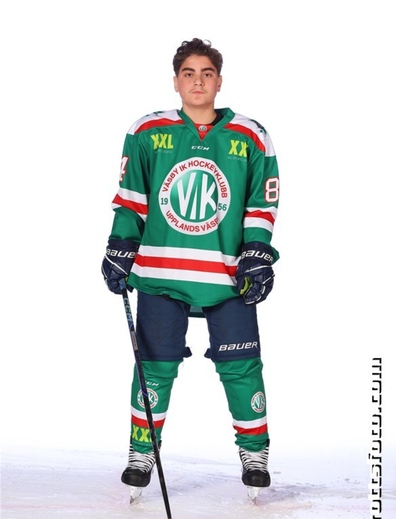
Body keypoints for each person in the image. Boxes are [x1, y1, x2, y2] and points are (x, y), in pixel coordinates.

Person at [101, 38, 280, 494]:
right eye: (188, 73)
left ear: (219, 81)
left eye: (206, 73)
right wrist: (121, 245)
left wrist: (257, 253)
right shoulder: (147, 131)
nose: (197, 81)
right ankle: (142, 451)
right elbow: (132, 199)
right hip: (161, 274)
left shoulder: (251, 135)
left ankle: (254, 453)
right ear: (176, 81)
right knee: (153, 366)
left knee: (242, 366)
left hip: (227, 276)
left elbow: (261, 204)